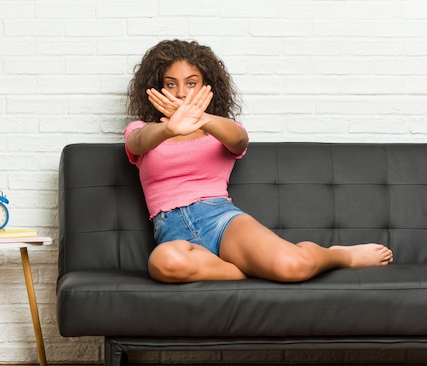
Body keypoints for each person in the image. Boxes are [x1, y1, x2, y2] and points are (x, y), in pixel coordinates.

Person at [124, 39, 393, 283]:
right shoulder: (143, 130)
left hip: (220, 219)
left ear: (207, 87)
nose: (181, 93)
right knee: (164, 263)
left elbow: (239, 139)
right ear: (157, 89)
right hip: (172, 232)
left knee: (293, 266)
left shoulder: (220, 128)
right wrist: (169, 128)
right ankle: (248, 269)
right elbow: (138, 142)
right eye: (171, 84)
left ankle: (338, 256)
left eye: (191, 83)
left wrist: (202, 118)